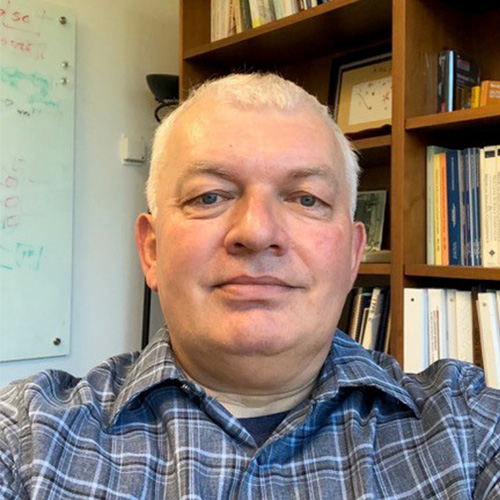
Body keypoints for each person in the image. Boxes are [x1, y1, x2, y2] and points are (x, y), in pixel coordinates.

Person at [0, 73, 499, 499]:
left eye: (305, 199)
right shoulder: (28, 439)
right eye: (209, 196)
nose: (257, 232)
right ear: (151, 250)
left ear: (352, 255)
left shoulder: (470, 432)